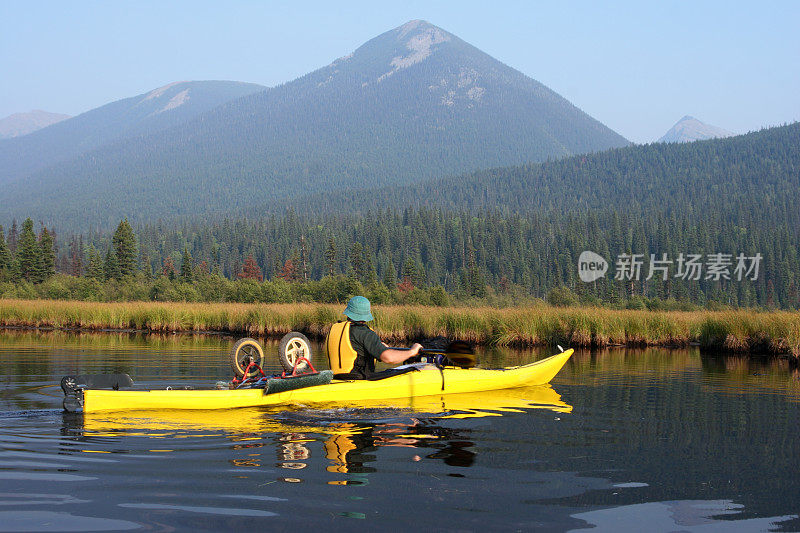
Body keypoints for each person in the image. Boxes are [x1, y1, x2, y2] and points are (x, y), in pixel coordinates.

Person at [325, 296, 422, 379]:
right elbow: (389, 358)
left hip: (336, 378)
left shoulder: (334, 329)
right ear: (366, 315)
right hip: (359, 380)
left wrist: (380, 347)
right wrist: (412, 352)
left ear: (348, 312)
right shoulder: (365, 333)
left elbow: (355, 347)